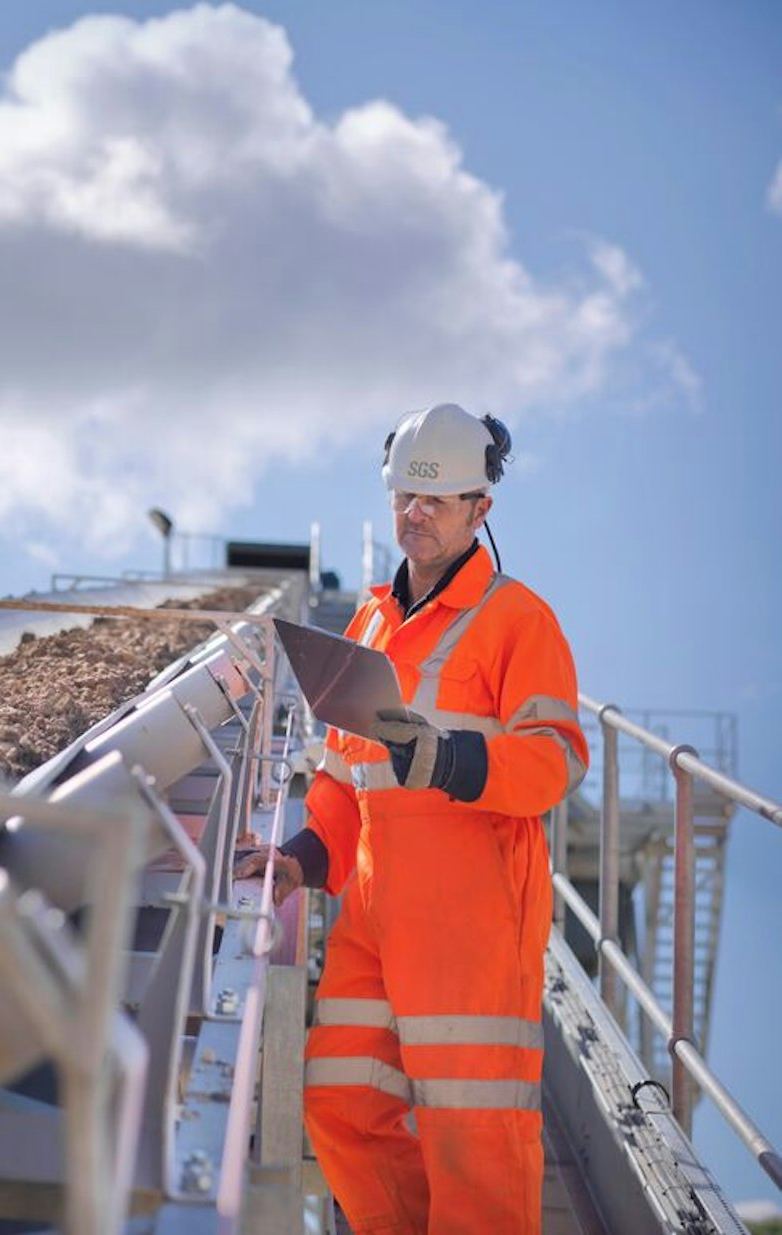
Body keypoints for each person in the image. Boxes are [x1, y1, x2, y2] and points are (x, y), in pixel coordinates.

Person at [238, 402, 588, 1233]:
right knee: (336, 1100)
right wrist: (301, 857)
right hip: (373, 914)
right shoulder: (367, 622)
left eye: (436, 500)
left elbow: (557, 760)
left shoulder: (517, 619)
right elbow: (341, 777)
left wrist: (454, 758)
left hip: (472, 923)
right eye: (405, 497)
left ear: (480, 510)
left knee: (475, 1138)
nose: (415, 515)